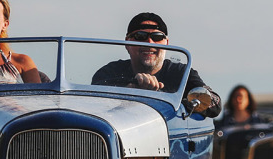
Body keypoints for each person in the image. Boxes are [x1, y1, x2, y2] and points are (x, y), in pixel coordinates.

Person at [90, 13, 222, 117]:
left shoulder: (182, 74)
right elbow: (95, 103)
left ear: (166, 43)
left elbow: (215, 103)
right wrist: (131, 90)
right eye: (140, 36)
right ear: (127, 43)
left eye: (157, 36)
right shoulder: (109, 72)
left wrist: (163, 96)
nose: (149, 42)